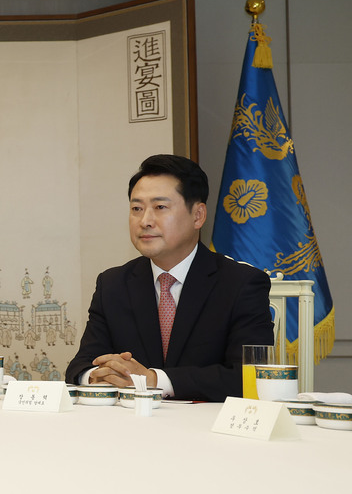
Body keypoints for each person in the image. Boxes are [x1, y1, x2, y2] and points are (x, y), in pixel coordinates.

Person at [64, 154, 272, 401]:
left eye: (160, 207)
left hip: (206, 423)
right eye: (136, 209)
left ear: (198, 215)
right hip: (131, 422)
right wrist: (98, 376)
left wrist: (153, 380)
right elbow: (81, 366)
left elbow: (250, 377)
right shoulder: (113, 284)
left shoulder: (241, 284)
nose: (145, 221)